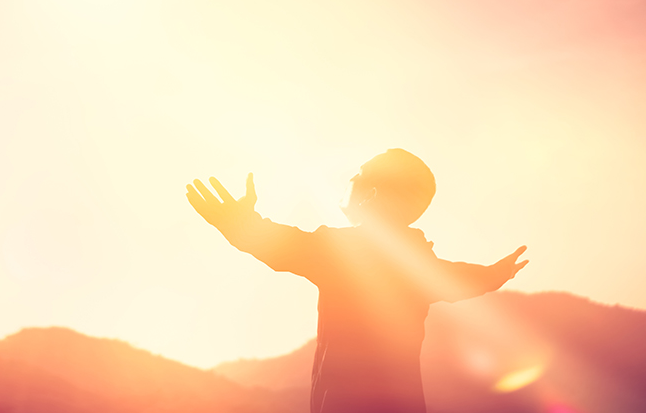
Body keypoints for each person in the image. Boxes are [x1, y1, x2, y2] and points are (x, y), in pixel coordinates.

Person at [186, 149, 529, 413]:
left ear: (372, 193)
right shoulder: (418, 266)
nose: (350, 180)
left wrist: (240, 224)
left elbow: (281, 245)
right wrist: (493, 274)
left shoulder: (345, 255)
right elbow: (460, 279)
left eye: (358, 176)